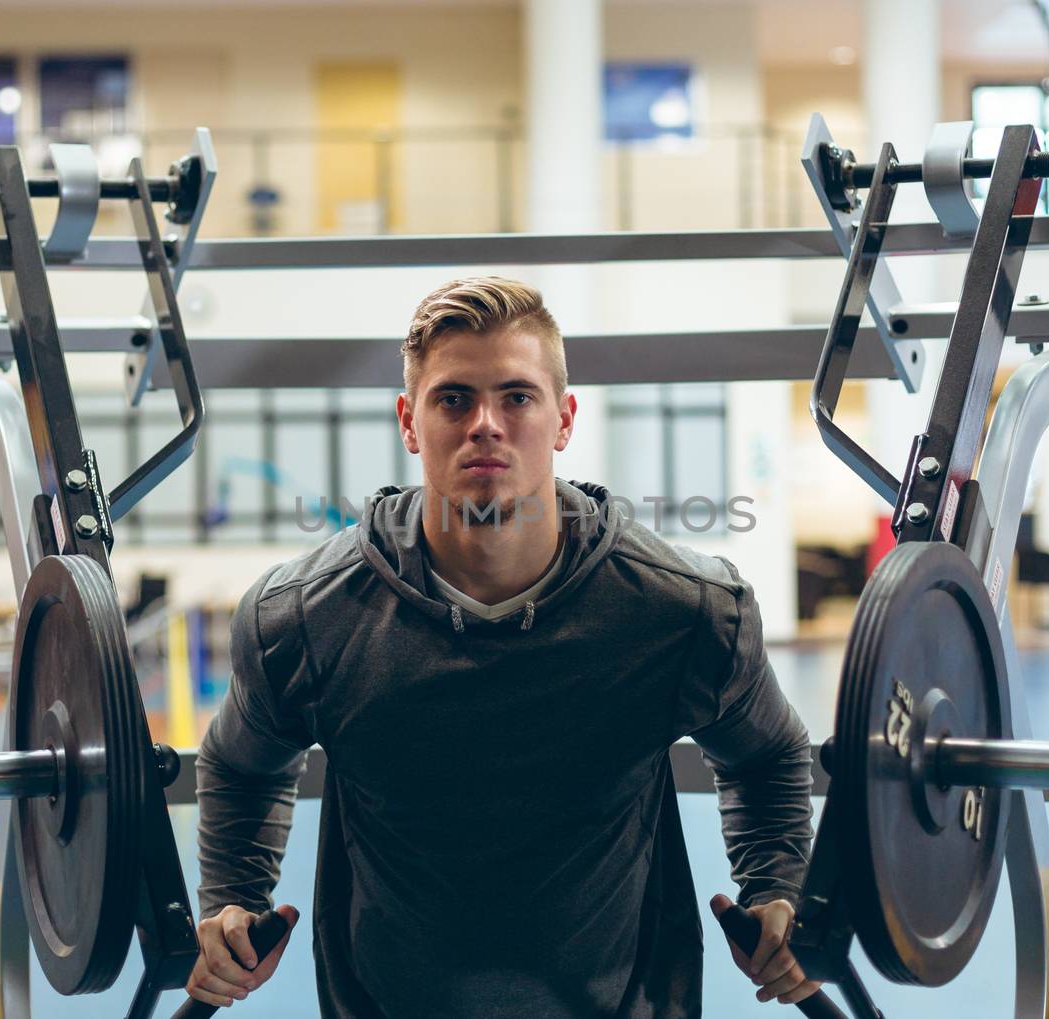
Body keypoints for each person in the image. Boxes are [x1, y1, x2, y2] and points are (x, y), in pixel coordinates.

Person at [188, 277, 817, 1016]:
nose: (485, 423)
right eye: (454, 398)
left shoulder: (683, 613)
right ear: (409, 422)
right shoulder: (303, 620)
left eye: (517, 396)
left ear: (563, 419)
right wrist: (232, 899)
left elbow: (769, 752)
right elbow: (239, 760)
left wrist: (775, 884)